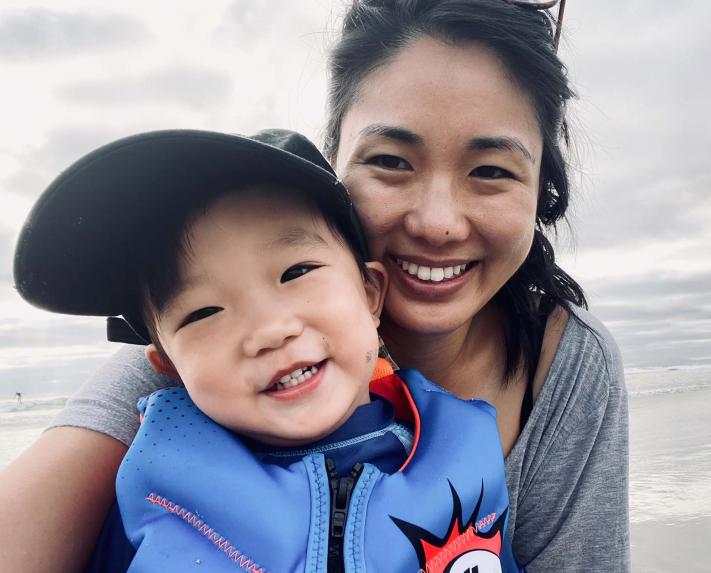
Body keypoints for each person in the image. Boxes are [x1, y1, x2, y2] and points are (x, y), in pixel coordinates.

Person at [0, 1, 629, 571]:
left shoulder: (570, 366)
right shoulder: (193, 366)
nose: (438, 223)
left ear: (541, 185)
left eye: (492, 171)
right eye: (389, 161)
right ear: (333, 165)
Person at [13, 128, 522, 572]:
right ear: (169, 367)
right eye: (203, 313)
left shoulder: (461, 452)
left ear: (370, 294)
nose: (269, 331)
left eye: (296, 272)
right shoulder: (155, 486)